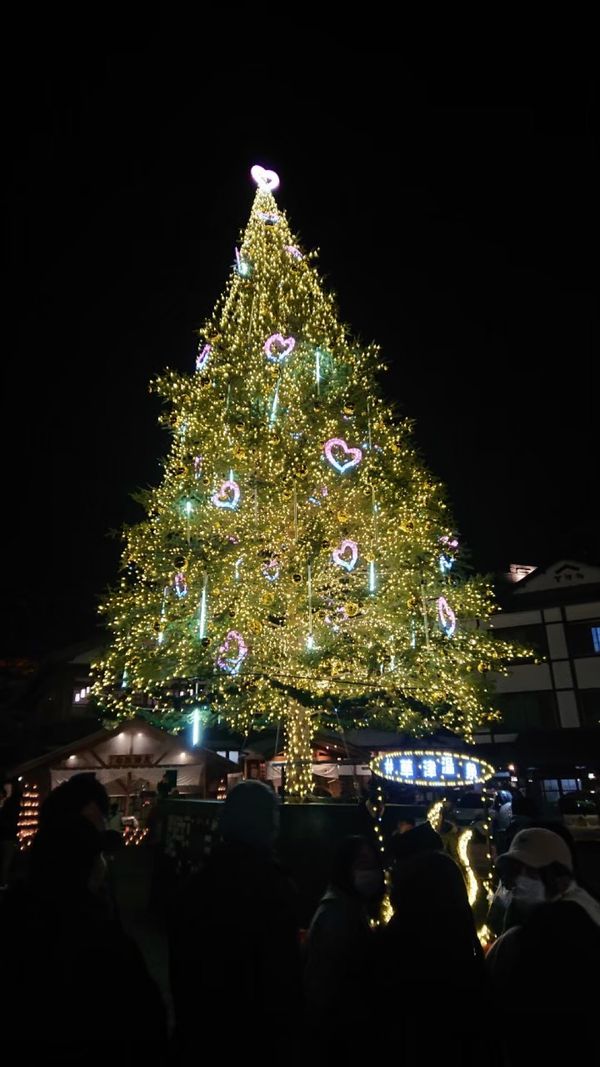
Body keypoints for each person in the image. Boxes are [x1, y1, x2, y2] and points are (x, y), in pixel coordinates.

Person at [0, 793, 167, 1058]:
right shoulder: (106, 945)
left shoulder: (14, 925)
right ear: (89, 867)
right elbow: (147, 1025)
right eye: (97, 856)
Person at [169, 780, 302, 1055]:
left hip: (201, 1033)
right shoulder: (274, 889)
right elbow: (280, 979)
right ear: (268, 825)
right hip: (258, 1039)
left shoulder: (195, 886)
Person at [304, 835, 383, 1035]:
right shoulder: (335, 914)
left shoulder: (353, 909)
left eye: (374, 866)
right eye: (363, 864)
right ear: (344, 867)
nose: (371, 872)